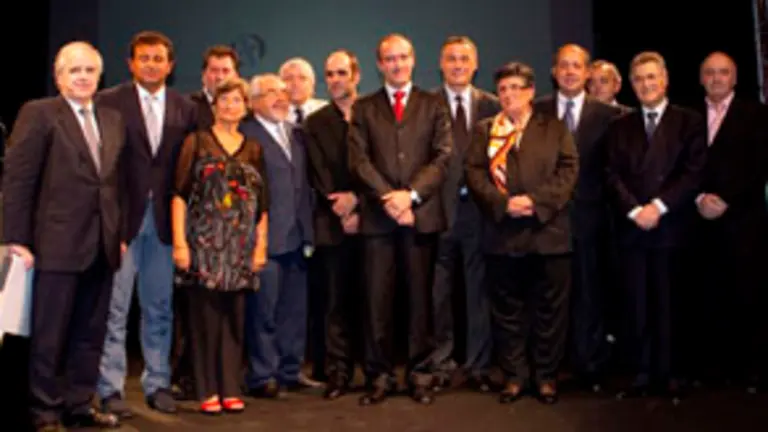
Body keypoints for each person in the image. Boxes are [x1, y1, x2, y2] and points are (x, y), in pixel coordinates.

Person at [2, 41, 124, 430]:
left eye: (90, 70)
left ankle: (78, 404)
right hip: (54, 245)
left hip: (102, 245)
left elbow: (113, 184)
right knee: (50, 335)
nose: (84, 76)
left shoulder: (112, 118)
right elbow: (19, 179)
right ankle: (45, 409)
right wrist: (15, 238)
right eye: (75, 70)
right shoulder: (39, 114)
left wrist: (116, 232)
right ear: (59, 76)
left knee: (90, 333)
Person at [348, 33, 453, 405]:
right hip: (379, 219)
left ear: (413, 59)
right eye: (389, 59)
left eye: (403, 57)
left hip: (420, 217)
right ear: (379, 64)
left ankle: (420, 374)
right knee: (377, 302)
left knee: (420, 302)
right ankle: (378, 376)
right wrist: (388, 199)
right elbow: (358, 161)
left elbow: (442, 157)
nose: (397, 64)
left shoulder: (434, 104)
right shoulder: (363, 108)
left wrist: (410, 196)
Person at [465, 61, 578, 405]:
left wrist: (536, 202)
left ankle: (545, 376)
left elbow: (568, 169)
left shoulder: (554, 127)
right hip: (503, 235)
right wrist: (503, 204)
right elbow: (474, 173)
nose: (509, 95)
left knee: (549, 312)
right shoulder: (486, 130)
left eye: (516, 88)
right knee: (507, 312)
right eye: (503, 89)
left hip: (548, 233)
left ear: (530, 92)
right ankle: (514, 376)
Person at [605, 52, 706, 401]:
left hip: (672, 227)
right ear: (632, 85)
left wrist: (658, 207)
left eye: (652, 78)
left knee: (671, 304)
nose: (646, 85)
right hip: (634, 229)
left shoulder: (689, 122)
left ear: (664, 80)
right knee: (637, 304)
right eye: (639, 79)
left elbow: (693, 173)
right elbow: (611, 174)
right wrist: (635, 211)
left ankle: (672, 374)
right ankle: (642, 373)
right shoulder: (620, 126)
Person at [172, 77, 269, 414]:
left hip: (241, 248)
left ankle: (230, 387)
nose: (230, 106)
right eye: (224, 100)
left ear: (246, 107)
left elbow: (262, 206)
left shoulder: (254, 148)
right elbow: (180, 196)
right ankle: (206, 389)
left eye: (237, 100)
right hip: (203, 244)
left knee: (235, 319)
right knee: (204, 320)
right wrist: (180, 244)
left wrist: (260, 248)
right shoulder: (196, 142)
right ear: (213, 105)